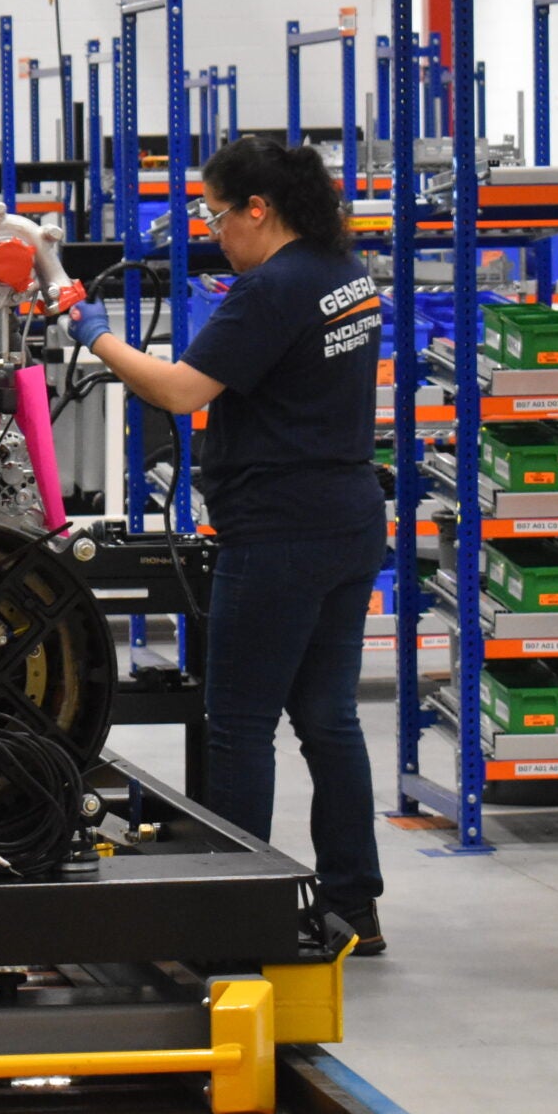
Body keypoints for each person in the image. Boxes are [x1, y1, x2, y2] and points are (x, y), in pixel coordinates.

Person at [65, 135, 388, 954]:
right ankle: (355, 901)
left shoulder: (271, 289)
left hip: (280, 530)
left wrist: (95, 336)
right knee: (328, 717)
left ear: (259, 209)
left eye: (217, 214)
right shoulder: (344, 274)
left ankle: (238, 909)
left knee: (239, 722)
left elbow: (178, 389)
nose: (213, 231)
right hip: (349, 518)